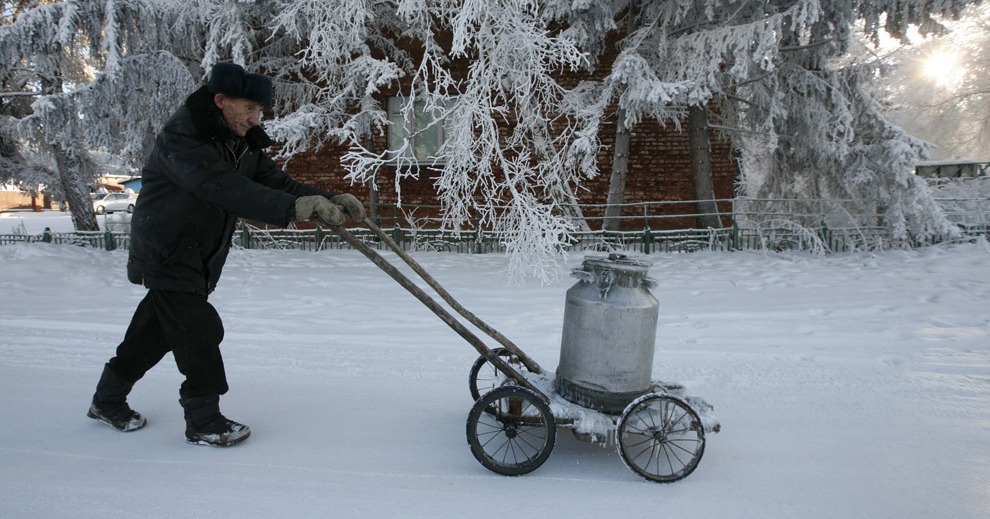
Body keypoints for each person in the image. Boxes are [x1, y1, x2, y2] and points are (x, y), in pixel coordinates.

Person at [86, 62, 365, 447]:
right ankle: (203, 420)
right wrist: (292, 210)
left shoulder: (237, 140)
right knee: (200, 330)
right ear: (220, 101)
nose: (255, 118)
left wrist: (328, 199)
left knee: (151, 334)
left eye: (260, 111)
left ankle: (106, 401)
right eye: (249, 108)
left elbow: (276, 182)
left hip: (199, 254)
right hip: (167, 251)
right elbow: (222, 187)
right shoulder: (183, 137)